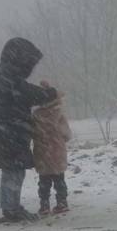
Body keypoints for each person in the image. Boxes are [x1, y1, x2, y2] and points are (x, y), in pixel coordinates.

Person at [0, 37, 57, 223]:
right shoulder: (7, 75)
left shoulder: (6, 73)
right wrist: (48, 94)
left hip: (8, 132)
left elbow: (22, 91)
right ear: (20, 59)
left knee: (12, 170)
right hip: (9, 133)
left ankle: (10, 207)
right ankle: (12, 209)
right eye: (29, 62)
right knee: (14, 171)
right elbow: (25, 92)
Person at [32, 81, 73, 215]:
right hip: (57, 152)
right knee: (59, 179)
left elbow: (32, 132)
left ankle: (44, 205)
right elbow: (66, 134)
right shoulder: (58, 114)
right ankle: (62, 202)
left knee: (44, 180)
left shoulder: (36, 115)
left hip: (42, 151)